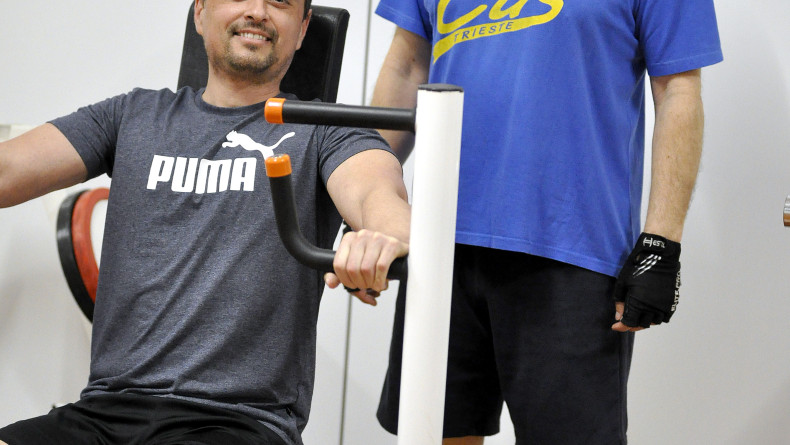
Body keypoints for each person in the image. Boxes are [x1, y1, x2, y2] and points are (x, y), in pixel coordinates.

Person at [0, 1, 409, 444]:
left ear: (304, 28)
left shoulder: (327, 131)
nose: (258, 11)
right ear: (199, 12)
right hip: (104, 412)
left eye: (280, 1)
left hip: (236, 423)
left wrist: (378, 237)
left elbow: (378, 197)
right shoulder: (132, 115)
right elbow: (8, 170)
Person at [370, 1, 722, 444]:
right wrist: (368, 203)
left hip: (571, 249)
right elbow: (407, 65)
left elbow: (677, 91)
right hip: (440, 244)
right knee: (435, 433)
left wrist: (661, 243)